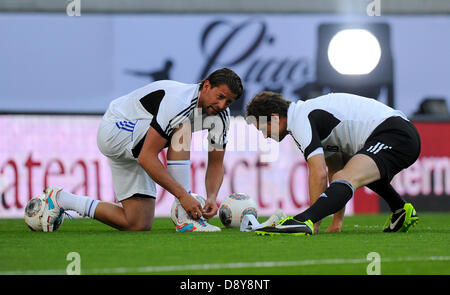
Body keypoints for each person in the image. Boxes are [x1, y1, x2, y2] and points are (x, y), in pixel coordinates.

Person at [39, 68, 243, 232]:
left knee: (137, 223)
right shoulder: (180, 102)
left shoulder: (221, 117)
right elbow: (147, 157)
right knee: (182, 127)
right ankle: (184, 216)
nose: (222, 105)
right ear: (206, 86)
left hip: (136, 144)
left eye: (229, 102)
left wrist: (211, 197)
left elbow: (216, 163)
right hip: (115, 129)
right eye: (220, 96)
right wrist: (183, 196)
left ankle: (60, 199)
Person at [244, 91, 420, 236]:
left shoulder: (300, 119)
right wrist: (337, 222)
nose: (265, 136)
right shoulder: (305, 115)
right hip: (396, 133)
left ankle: (302, 220)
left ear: (274, 118)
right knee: (348, 172)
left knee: (348, 176)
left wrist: (311, 221)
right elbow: (334, 169)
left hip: (395, 133)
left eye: (263, 129)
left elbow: (318, 173)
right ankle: (401, 210)